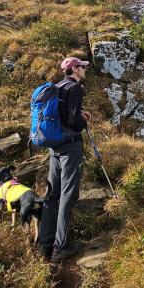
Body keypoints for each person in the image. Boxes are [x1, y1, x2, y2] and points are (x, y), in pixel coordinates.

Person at [39, 57, 91, 263]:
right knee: (67, 195)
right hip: (70, 147)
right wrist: (83, 121)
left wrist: (77, 113)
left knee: (52, 194)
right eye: (83, 67)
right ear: (74, 69)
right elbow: (72, 121)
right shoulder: (75, 88)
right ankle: (61, 247)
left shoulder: (57, 87)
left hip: (55, 147)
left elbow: (62, 115)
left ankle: (46, 244)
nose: (86, 69)